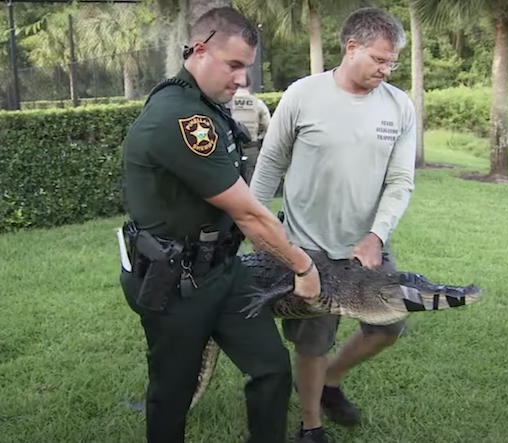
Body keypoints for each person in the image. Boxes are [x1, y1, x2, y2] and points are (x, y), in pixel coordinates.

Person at [118, 7, 321, 443]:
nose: (242, 79)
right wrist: (303, 267)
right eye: (234, 65)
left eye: (246, 67)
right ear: (201, 49)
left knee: (270, 367)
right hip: (174, 283)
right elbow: (248, 214)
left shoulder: (206, 105)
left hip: (223, 271)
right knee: (172, 393)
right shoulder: (182, 117)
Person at [250, 7, 416, 443]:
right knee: (312, 343)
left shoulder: (399, 106)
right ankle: (311, 425)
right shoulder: (303, 95)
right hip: (307, 247)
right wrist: (255, 227)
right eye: (380, 59)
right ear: (352, 47)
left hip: (366, 246)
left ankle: (332, 381)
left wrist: (376, 235)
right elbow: (270, 164)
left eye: (393, 62)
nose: (387, 69)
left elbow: (400, 180)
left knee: (388, 326)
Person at [227, 75, 272, 184]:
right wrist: (260, 137)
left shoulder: (227, 102)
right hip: (251, 147)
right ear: (249, 85)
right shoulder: (257, 103)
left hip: (230, 148)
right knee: (253, 181)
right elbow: (269, 127)